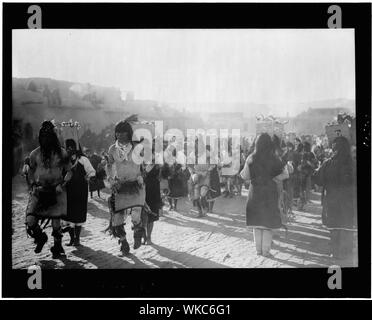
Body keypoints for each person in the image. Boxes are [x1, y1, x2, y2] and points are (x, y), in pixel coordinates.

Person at [25, 121, 71, 259]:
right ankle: (40, 238)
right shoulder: (34, 154)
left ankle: (57, 247)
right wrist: (32, 184)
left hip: (57, 191)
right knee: (31, 220)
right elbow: (30, 172)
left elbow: (69, 172)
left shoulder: (62, 153)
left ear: (53, 137)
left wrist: (61, 184)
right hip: (40, 191)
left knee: (56, 224)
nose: (46, 139)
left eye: (48, 136)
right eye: (43, 136)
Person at [105, 117, 149, 255]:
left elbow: (148, 162)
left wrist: (143, 174)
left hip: (136, 184)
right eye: (117, 132)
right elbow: (109, 165)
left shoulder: (137, 147)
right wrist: (111, 179)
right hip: (120, 185)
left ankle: (137, 234)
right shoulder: (112, 149)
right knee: (117, 218)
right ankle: (123, 242)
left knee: (136, 213)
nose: (119, 135)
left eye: (123, 132)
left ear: (128, 133)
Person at [240, 133, 286, 256]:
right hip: (270, 192)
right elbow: (285, 174)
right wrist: (274, 178)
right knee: (267, 223)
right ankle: (266, 251)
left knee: (257, 222)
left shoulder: (251, 157)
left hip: (255, 191)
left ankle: (258, 250)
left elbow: (245, 176)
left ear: (257, 143)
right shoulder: (275, 158)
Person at [314, 136, 357, 262]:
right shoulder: (353, 164)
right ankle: (347, 252)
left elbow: (318, 180)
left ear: (334, 149)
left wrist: (317, 171)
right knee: (347, 225)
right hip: (349, 201)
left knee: (334, 227)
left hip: (331, 200)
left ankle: (335, 252)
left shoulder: (328, 163)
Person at [63, 139, 96, 246]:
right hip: (68, 191)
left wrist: (87, 177)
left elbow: (92, 172)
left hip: (80, 190)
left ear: (76, 147)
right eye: (67, 147)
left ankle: (77, 239)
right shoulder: (64, 160)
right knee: (69, 215)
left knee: (78, 214)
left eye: (71, 147)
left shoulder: (83, 159)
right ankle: (72, 239)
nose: (69, 149)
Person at [144, 160, 162, 244]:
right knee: (142, 217)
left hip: (153, 191)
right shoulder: (142, 162)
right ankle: (145, 237)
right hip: (143, 190)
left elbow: (159, 176)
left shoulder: (157, 164)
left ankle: (149, 237)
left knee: (150, 217)